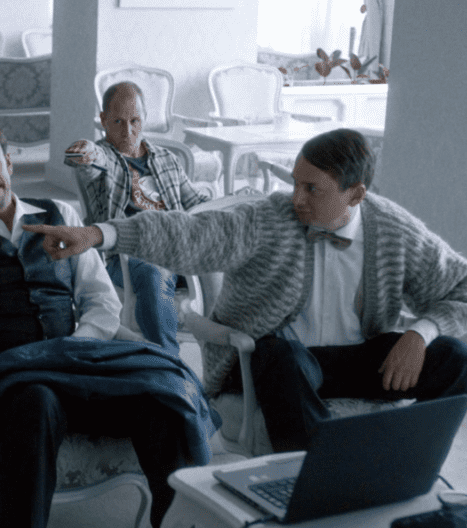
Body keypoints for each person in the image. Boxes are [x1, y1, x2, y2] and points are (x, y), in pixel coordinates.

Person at [0, 118, 215, 528]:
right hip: (5, 386)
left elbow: (102, 302)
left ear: (9, 162)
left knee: (161, 397)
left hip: (78, 369)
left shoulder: (59, 213)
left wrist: (74, 350)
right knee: (37, 402)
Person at [25, 128, 467, 453]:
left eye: (312, 189)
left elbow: (461, 287)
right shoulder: (271, 219)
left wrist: (420, 333)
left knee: (454, 356)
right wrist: (99, 234)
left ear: (355, 194)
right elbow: (190, 234)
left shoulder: (392, 230)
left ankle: (414, 459)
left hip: (356, 359)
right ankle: (312, 473)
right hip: (277, 361)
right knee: (279, 356)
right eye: (295, 182)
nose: (296, 197)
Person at [65, 81, 210, 350]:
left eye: (135, 121)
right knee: (155, 273)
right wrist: (84, 151)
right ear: (103, 120)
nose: (128, 131)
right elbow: (91, 161)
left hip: (178, 248)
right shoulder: (105, 158)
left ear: (144, 118)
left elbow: (195, 203)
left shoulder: (166, 158)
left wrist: (229, 204)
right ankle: (166, 360)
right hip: (129, 256)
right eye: (118, 122)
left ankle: (227, 354)